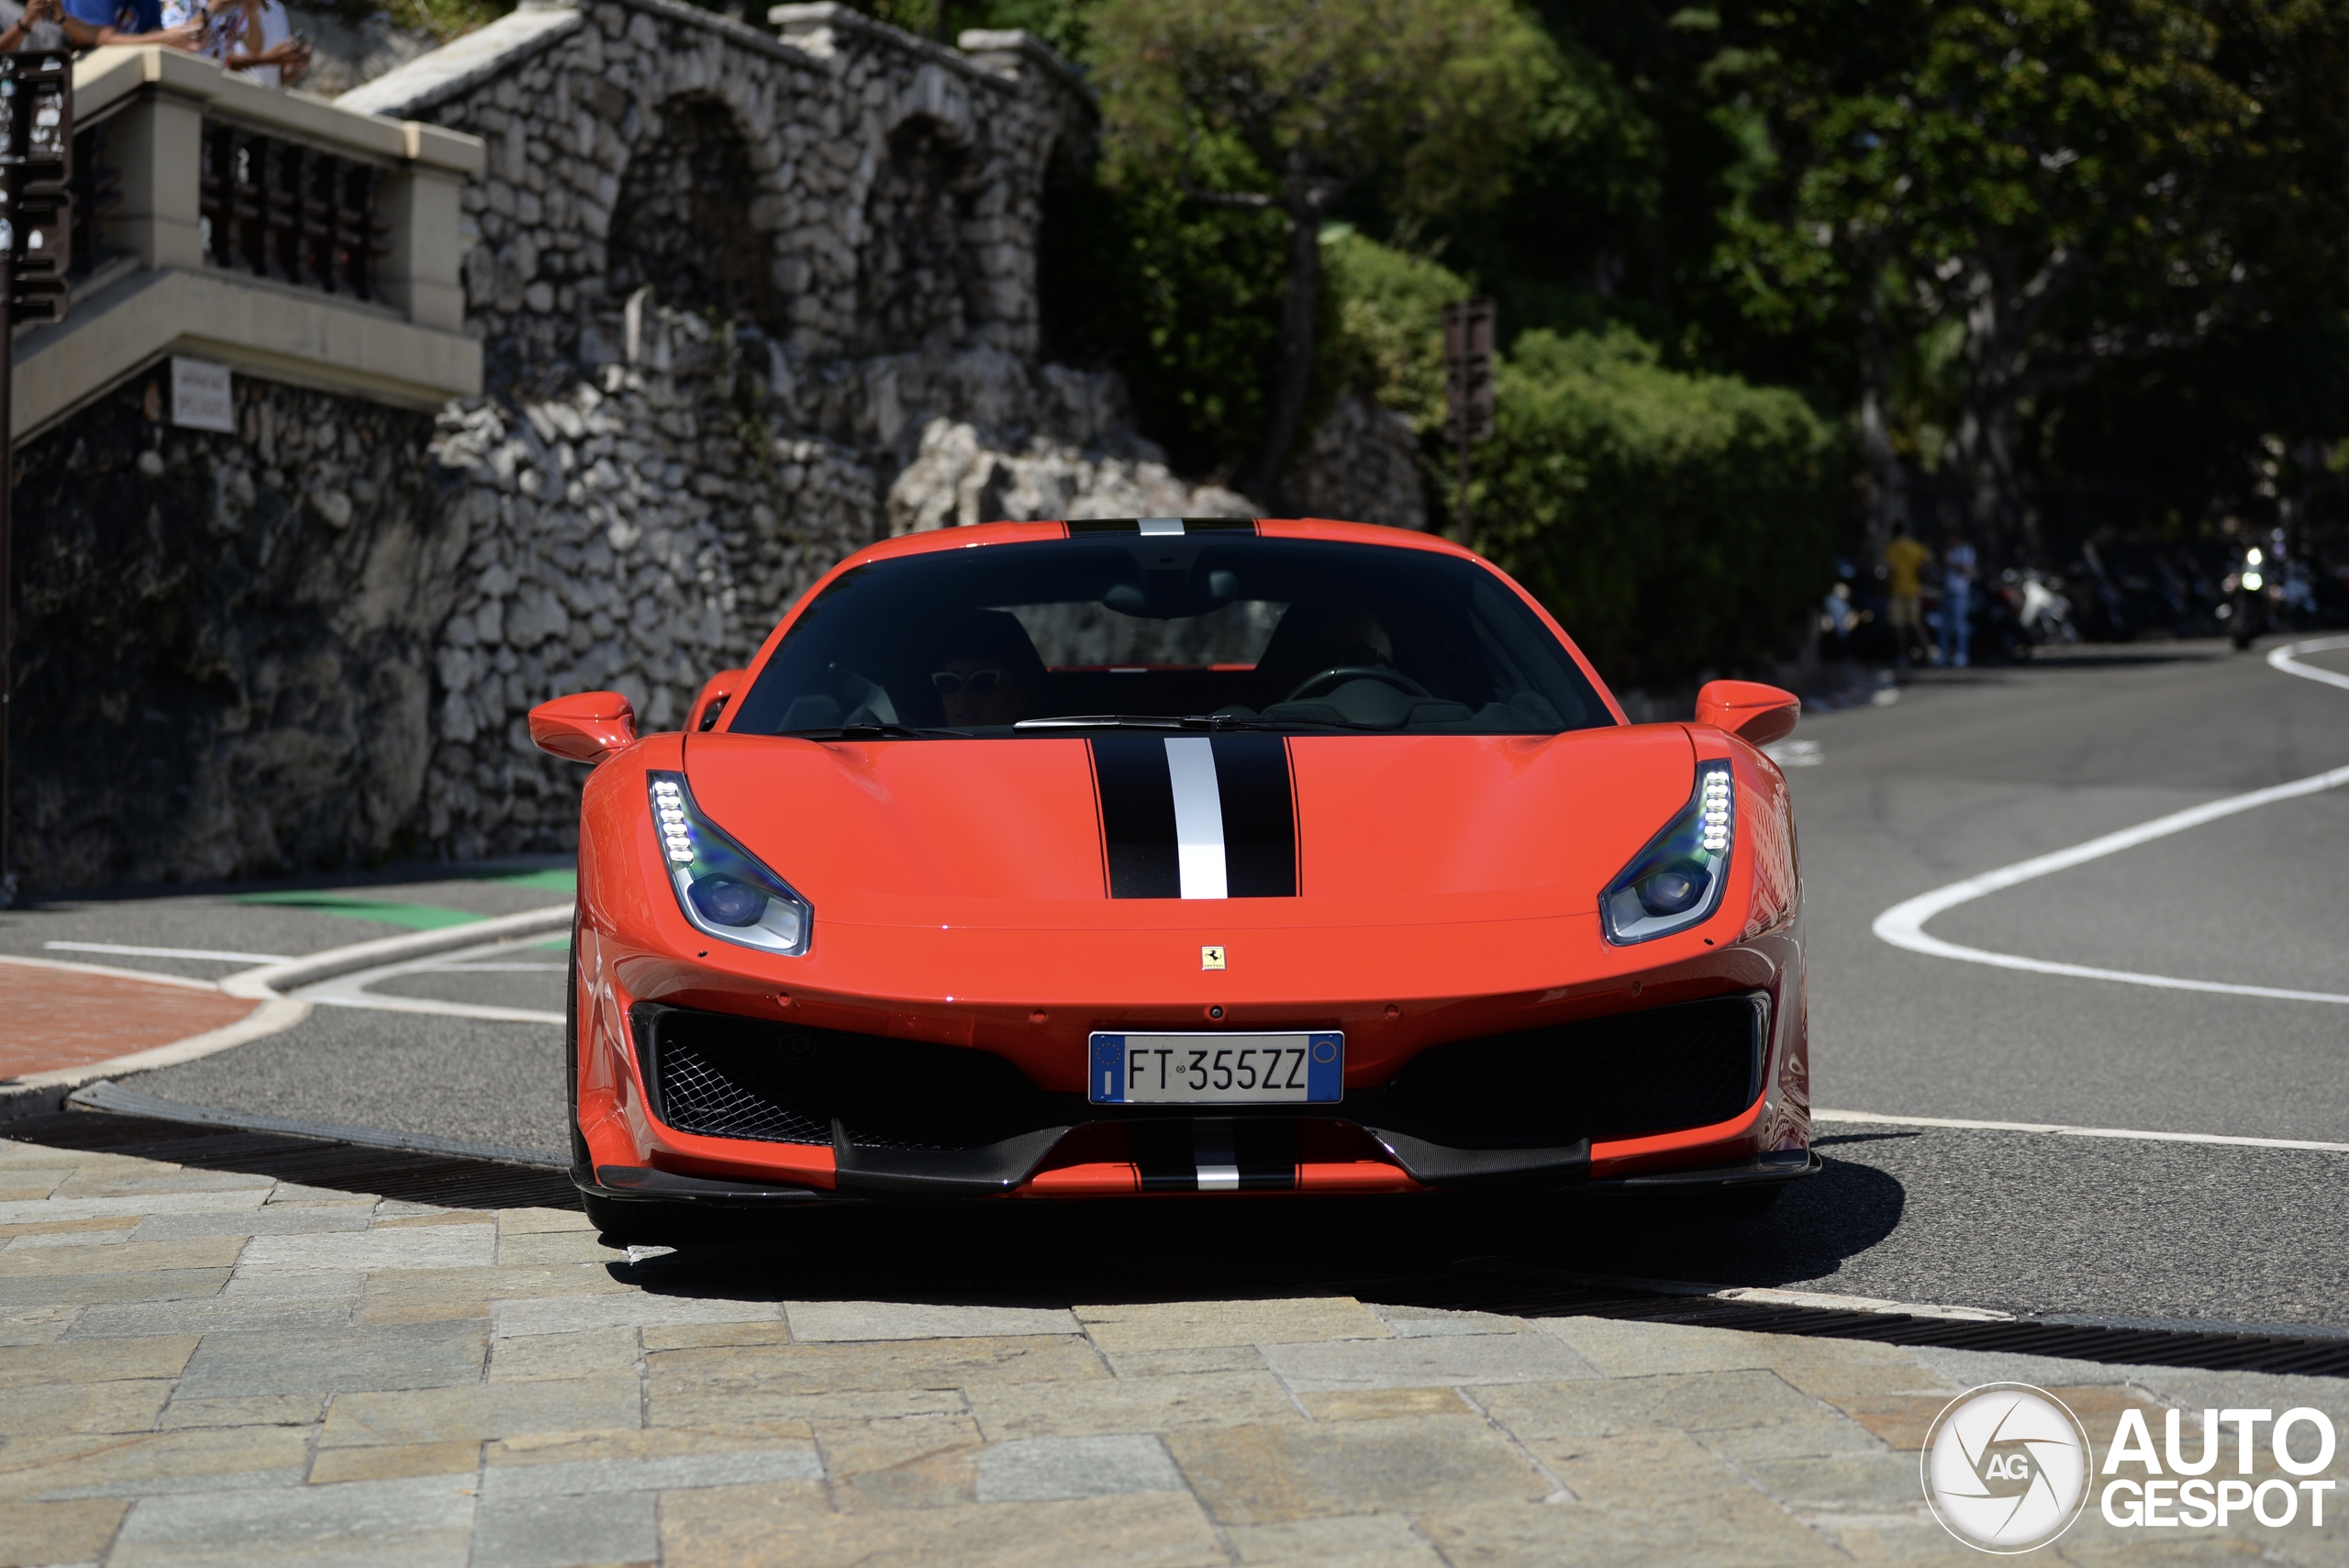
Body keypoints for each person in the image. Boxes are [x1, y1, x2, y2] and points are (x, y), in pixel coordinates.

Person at [929, 610, 1046, 728]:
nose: (963, 696)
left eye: (982, 682)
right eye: (951, 683)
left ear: (1019, 700)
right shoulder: (918, 741)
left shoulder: (1047, 745)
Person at [1881, 522, 1932, 666]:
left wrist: (1884, 587)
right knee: (1916, 623)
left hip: (1897, 590)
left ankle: (1902, 655)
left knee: (1899, 626)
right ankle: (1928, 652)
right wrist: (1920, 570)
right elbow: (1929, 557)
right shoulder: (1914, 546)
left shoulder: (1891, 549)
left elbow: (1889, 570)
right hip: (1913, 589)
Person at [1939, 530, 1977, 668]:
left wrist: (1951, 563)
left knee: (1960, 624)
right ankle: (1944, 653)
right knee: (1944, 625)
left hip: (1960, 592)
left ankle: (1962, 654)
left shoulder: (1965, 551)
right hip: (1947, 591)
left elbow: (1968, 571)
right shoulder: (1948, 552)